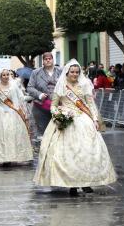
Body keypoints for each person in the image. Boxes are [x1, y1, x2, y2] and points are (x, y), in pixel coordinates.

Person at [34, 59, 116, 196]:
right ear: (67, 72)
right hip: (66, 121)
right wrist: (59, 114)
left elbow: (90, 104)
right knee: (67, 154)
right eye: (72, 72)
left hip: (84, 120)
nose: (75, 74)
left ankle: (85, 182)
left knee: (86, 152)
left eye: (77, 72)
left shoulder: (84, 85)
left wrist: (95, 119)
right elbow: (54, 106)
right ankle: (71, 184)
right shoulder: (60, 86)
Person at [27, 52, 62, 136]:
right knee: (44, 133)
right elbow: (29, 87)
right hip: (40, 107)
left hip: (59, 106)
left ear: (53, 60)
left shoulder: (61, 71)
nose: (48, 60)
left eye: (50, 58)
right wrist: (39, 95)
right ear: (43, 61)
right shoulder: (36, 72)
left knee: (59, 132)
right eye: (45, 59)